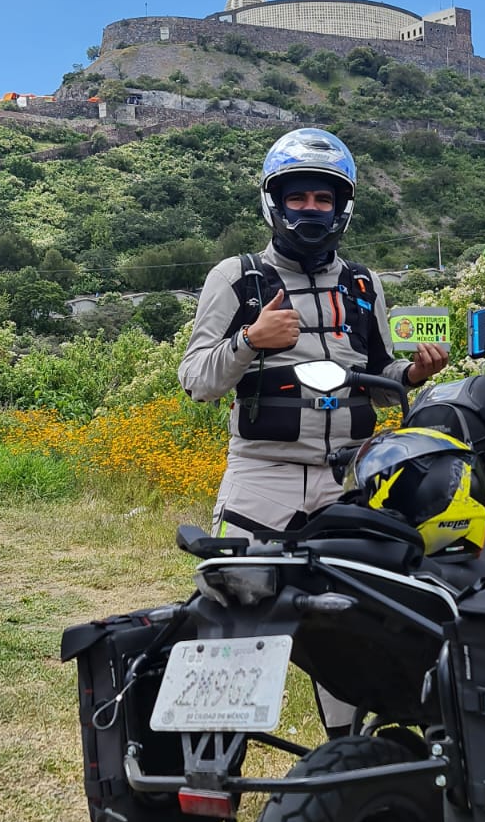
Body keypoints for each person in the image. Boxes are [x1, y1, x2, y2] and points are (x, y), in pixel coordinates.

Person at [178, 128, 448, 729]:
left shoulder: (361, 284)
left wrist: (412, 370)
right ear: (274, 203)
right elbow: (197, 378)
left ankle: (344, 754)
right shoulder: (238, 278)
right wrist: (250, 341)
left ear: (341, 207)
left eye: (322, 199)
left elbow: (380, 369)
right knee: (236, 620)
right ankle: (210, 772)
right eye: (297, 197)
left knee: (353, 625)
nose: (310, 209)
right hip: (261, 478)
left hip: (351, 478)